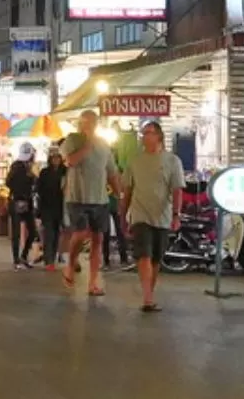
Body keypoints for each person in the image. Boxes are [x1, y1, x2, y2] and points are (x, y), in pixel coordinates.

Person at [121, 120, 186, 313]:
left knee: (156, 258)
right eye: (143, 134)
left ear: (158, 136)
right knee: (144, 255)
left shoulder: (172, 161)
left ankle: (149, 291)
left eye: (149, 133)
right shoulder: (135, 161)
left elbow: (177, 190)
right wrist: (123, 215)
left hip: (162, 215)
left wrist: (176, 214)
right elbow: (128, 189)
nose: (145, 137)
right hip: (140, 214)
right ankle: (147, 298)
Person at [60, 110, 123, 297]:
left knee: (98, 239)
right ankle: (71, 263)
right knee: (80, 234)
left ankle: (93, 282)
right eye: (83, 122)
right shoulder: (72, 140)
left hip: (100, 199)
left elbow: (112, 172)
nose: (86, 126)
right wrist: (86, 146)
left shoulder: (104, 145)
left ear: (96, 124)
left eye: (90, 123)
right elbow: (69, 161)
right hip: (77, 197)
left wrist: (119, 196)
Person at [5, 145, 39, 271]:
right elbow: (8, 182)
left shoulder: (30, 167)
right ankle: (16, 260)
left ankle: (23, 256)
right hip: (17, 200)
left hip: (27, 201)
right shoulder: (17, 166)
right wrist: (27, 180)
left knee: (32, 231)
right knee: (16, 232)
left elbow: (35, 183)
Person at [35, 148, 66, 270]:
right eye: (54, 158)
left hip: (60, 207)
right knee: (49, 233)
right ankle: (49, 260)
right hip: (47, 207)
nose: (56, 160)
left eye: (58, 157)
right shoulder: (44, 172)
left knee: (57, 233)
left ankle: (53, 256)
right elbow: (39, 189)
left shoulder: (65, 171)